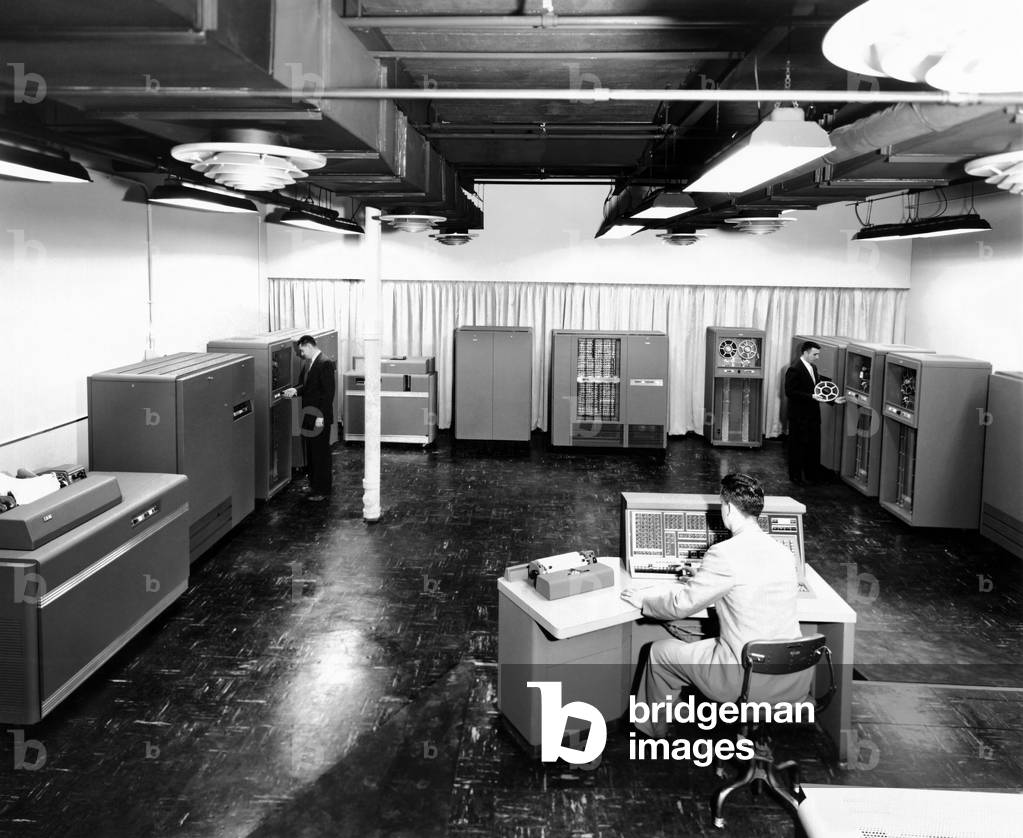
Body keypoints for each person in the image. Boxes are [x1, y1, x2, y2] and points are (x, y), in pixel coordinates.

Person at [621, 473, 810, 738]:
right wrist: (702, 576)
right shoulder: (784, 553)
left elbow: (679, 606)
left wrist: (644, 601)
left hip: (743, 678)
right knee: (700, 649)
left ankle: (654, 734)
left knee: (658, 653)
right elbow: (751, 579)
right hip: (793, 678)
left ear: (729, 508)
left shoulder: (723, 554)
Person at [283, 335, 336, 500]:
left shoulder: (325, 363)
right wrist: (295, 391)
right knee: (312, 453)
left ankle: (322, 490)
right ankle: (314, 485)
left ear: (309, 345)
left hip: (318, 416)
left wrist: (321, 417)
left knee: (320, 453)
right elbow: (306, 386)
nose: (301, 353)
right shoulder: (309, 363)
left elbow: (328, 394)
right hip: (308, 414)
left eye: (302, 349)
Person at [784, 340, 844, 485]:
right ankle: (796, 477)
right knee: (797, 448)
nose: (817, 357)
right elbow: (790, 392)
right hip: (799, 417)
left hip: (812, 416)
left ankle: (811, 475)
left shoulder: (814, 368)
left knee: (812, 447)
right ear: (805, 353)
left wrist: (833, 400)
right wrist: (810, 396)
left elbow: (818, 389)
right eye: (815, 354)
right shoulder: (794, 369)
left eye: (818, 354)